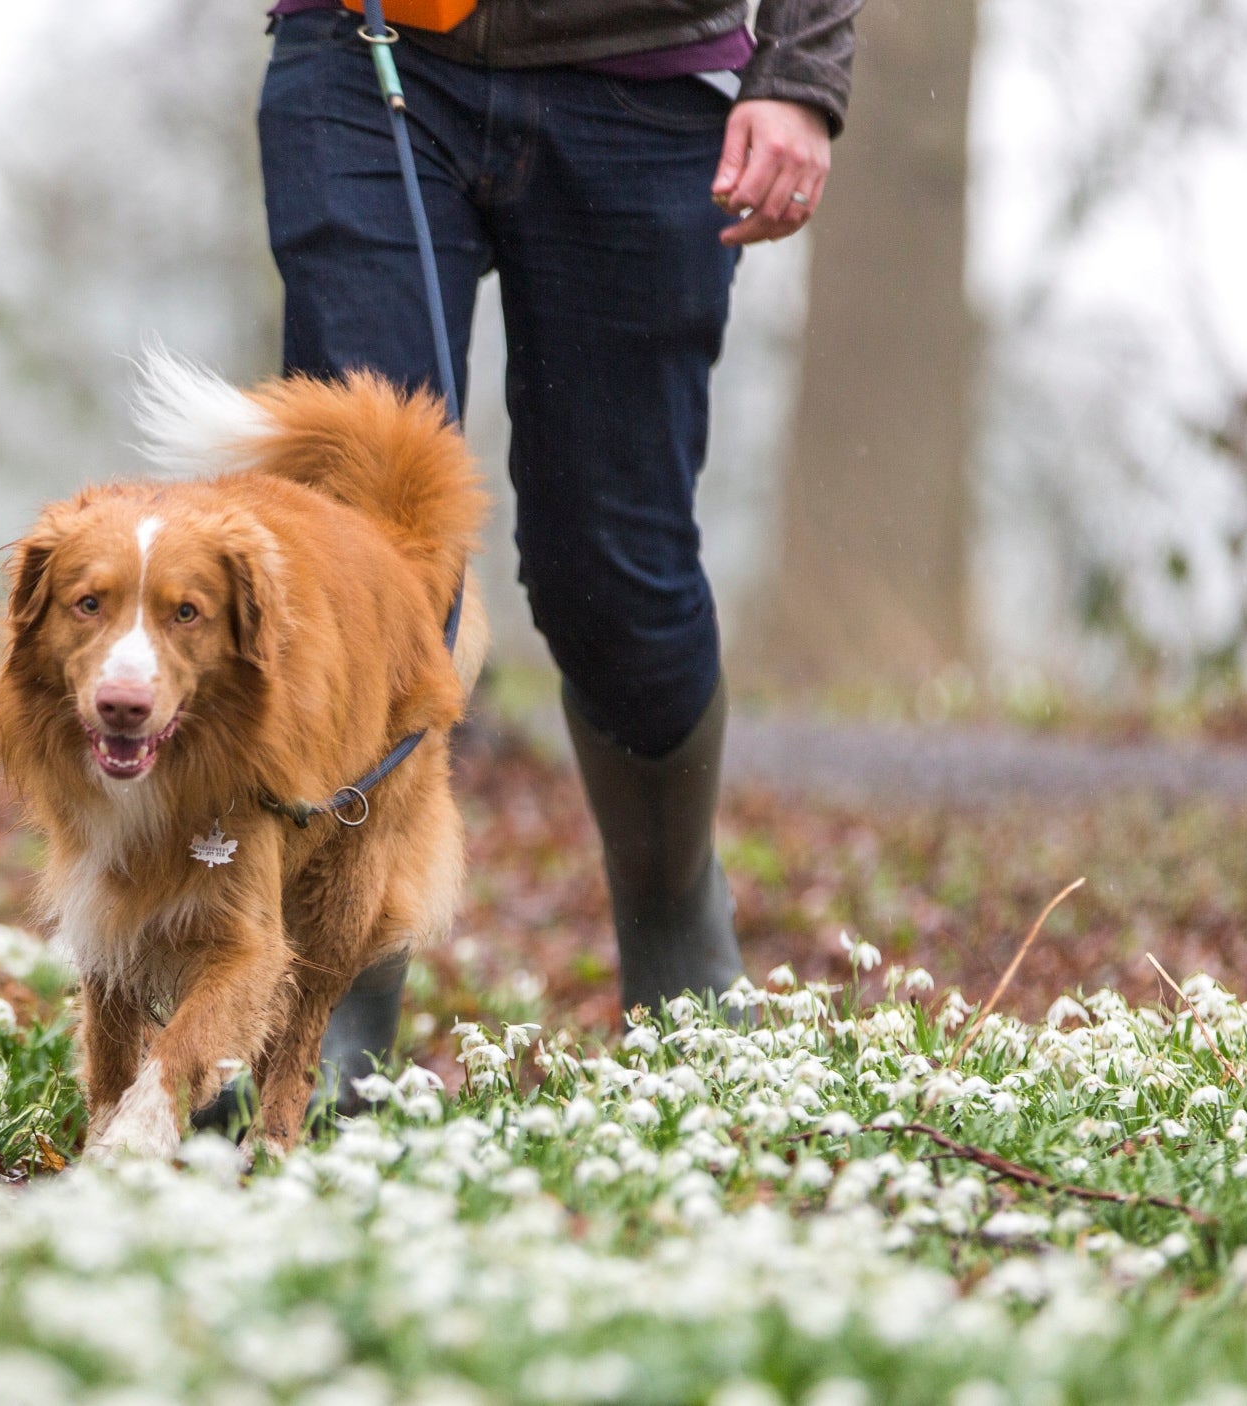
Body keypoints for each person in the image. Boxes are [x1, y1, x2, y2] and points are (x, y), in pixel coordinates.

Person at [254, 0, 860, 1116]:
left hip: (646, 77)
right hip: (371, 46)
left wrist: (800, 69)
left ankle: (673, 911)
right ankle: (332, 982)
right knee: (358, 534)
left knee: (612, 573)